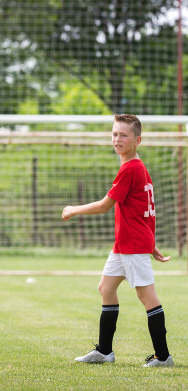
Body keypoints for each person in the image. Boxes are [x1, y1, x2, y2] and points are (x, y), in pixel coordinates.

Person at [63, 114, 174, 368]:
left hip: (132, 244)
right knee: (106, 288)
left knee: (147, 297)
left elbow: (105, 205)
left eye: (123, 135)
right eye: (114, 134)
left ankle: (163, 356)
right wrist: (152, 243)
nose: (117, 139)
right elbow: (145, 210)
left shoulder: (131, 168)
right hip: (126, 244)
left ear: (137, 140)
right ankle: (104, 352)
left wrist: (73, 209)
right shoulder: (137, 168)